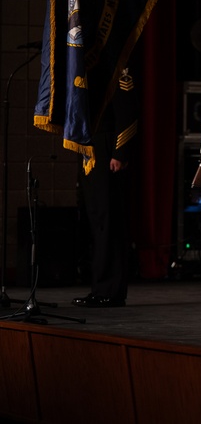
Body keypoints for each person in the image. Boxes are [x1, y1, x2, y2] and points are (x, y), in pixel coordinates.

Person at [72, 68, 139, 308]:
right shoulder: (88, 65)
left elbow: (127, 110)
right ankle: (101, 287)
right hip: (91, 147)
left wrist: (120, 152)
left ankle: (110, 290)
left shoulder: (117, 65)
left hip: (109, 147)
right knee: (98, 220)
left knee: (109, 222)